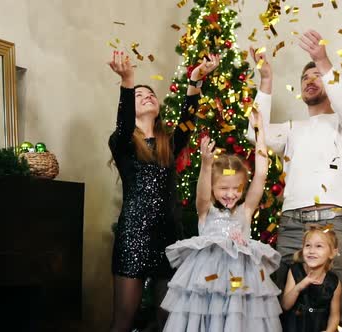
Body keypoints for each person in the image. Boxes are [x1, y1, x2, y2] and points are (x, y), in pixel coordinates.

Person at [247, 29, 342, 331]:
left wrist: (322, 60)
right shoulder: (292, 129)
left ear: (329, 82)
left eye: (317, 76)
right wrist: (265, 82)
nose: (310, 80)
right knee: (281, 310)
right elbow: (254, 133)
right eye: (305, 78)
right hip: (291, 228)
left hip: (333, 226)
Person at [160, 60, 282, 330]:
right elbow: (201, 196)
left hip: (242, 283)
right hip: (206, 281)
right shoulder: (207, 211)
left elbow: (261, 174)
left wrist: (261, 133)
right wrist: (205, 165)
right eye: (223, 189)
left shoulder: (245, 211)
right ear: (215, 189)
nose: (230, 195)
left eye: (236, 189)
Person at [107, 50, 218, 332]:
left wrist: (195, 80)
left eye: (150, 94)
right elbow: (122, 123)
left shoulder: (170, 142)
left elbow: (188, 121)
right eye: (138, 94)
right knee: (123, 320)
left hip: (168, 237)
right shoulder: (122, 141)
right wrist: (128, 80)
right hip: (133, 236)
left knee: (168, 320)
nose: (147, 96)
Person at [282, 227, 342, 332]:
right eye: (308, 245)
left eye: (319, 246)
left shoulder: (333, 282)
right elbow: (285, 305)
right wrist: (300, 286)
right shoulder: (295, 271)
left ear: (332, 253)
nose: (311, 251)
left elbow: (334, 316)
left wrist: (329, 331)